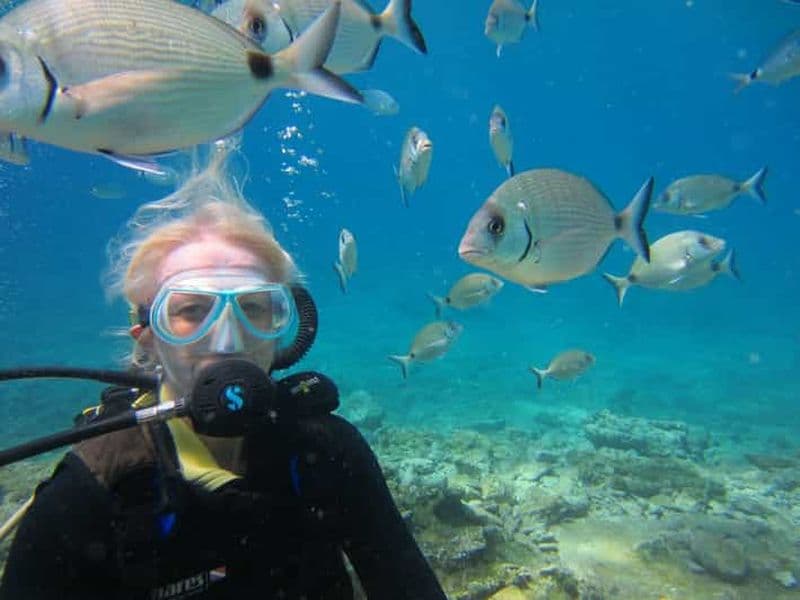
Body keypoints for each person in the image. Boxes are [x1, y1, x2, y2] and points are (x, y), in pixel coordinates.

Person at [0, 146, 447, 599]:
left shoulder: (328, 452)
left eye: (255, 308)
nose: (229, 340)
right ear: (147, 337)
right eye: (192, 310)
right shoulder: (94, 488)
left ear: (285, 330)